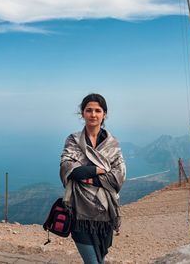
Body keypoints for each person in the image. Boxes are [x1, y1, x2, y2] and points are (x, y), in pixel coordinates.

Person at [60, 93, 126, 264]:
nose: (93, 114)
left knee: (101, 260)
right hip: (79, 212)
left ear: (104, 114)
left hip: (105, 214)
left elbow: (118, 177)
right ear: (82, 113)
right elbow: (68, 169)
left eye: (98, 110)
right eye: (89, 110)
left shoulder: (112, 143)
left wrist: (86, 175)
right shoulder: (73, 140)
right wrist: (99, 169)